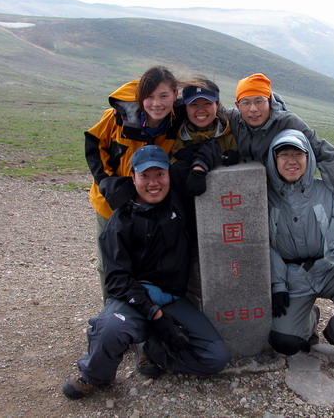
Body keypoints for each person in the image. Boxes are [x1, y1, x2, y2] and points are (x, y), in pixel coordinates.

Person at [62, 145, 230, 400]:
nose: (154, 183)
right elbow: (117, 280)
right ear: (133, 177)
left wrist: (200, 167)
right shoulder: (119, 222)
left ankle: (153, 348)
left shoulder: (177, 195)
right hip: (134, 299)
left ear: (169, 174)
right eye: (145, 176)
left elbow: (208, 147)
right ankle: (94, 375)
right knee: (110, 329)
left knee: (215, 357)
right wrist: (155, 314)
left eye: (160, 174)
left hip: (172, 298)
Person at [265, 129, 334, 367]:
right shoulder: (265, 197)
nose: (291, 160)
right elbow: (266, 246)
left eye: (298, 154)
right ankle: (310, 317)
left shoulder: (325, 191)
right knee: (285, 342)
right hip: (292, 276)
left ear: (308, 158)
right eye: (284, 154)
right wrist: (278, 284)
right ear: (274, 160)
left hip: (328, 267)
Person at [85, 66, 186, 302]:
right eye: (149, 97)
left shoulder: (179, 119)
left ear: (175, 94)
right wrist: (106, 181)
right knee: (110, 263)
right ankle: (113, 314)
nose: (156, 104)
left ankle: (148, 310)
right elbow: (94, 143)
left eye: (163, 96)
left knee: (147, 260)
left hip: (152, 200)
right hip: (110, 204)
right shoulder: (118, 116)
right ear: (140, 97)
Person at [224, 73, 334, 237]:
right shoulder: (234, 120)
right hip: (249, 196)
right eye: (246, 102)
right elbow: (207, 109)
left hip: (283, 197)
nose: (253, 109)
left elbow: (326, 156)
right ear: (238, 105)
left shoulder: (288, 122)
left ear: (269, 101)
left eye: (259, 101)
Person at [170, 77, 239, 165]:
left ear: (217, 105)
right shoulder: (176, 138)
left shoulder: (229, 138)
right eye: (194, 104)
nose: (201, 110)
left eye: (207, 103)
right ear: (185, 107)